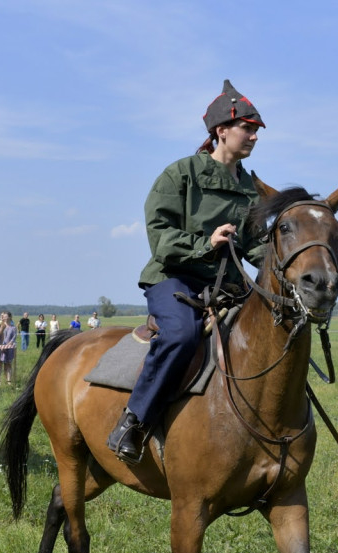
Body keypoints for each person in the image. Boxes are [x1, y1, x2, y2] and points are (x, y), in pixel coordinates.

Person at [106, 79, 268, 464]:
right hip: (174, 278)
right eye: (247, 128)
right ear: (221, 131)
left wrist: (292, 263)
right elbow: (159, 236)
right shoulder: (180, 174)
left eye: (256, 131)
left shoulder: (252, 189)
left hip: (229, 284)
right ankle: (134, 421)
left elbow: (256, 244)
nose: (253, 137)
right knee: (181, 335)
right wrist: (205, 244)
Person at [0, 311, 17, 388]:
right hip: (0, 348)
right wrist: (1, 346)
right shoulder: (0, 326)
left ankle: (8, 381)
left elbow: (13, 338)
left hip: (9, 349)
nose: (4, 317)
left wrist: (8, 345)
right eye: (3, 316)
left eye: (6, 316)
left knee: (8, 364)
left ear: (10, 317)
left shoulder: (13, 327)